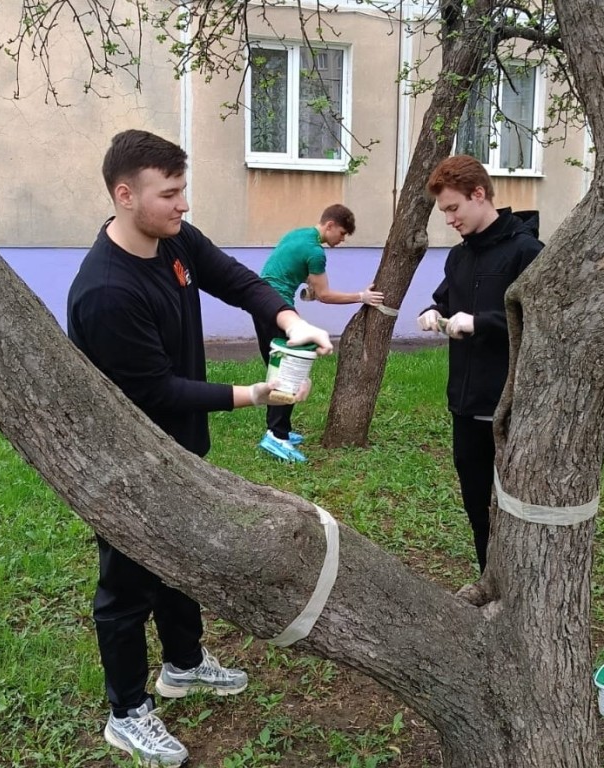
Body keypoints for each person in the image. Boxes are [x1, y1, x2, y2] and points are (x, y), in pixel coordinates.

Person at [67, 129, 332, 766]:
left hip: (179, 448)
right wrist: (255, 394)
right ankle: (127, 711)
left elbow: (238, 280)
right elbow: (155, 390)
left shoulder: (174, 240)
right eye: (171, 193)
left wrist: (290, 319)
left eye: (184, 190)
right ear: (125, 195)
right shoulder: (107, 291)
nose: (183, 205)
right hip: (127, 464)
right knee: (126, 588)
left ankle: (183, 663)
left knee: (181, 558)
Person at [416, 155, 542, 586]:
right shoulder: (459, 257)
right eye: (443, 212)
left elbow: (546, 324)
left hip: (510, 405)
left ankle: (524, 586)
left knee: (517, 506)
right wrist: (433, 312)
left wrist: (483, 322)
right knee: (476, 502)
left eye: (453, 209)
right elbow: (447, 301)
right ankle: (490, 581)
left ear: (479, 194)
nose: (449, 219)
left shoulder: (527, 251)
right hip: (465, 404)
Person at [253, 204, 383, 462]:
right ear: (330, 225)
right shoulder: (315, 251)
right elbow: (324, 295)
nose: (342, 239)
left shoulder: (299, 235)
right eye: (343, 233)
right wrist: (362, 296)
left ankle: (280, 430)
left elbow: (296, 275)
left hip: (261, 301)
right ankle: (276, 437)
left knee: (280, 367)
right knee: (289, 369)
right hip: (276, 307)